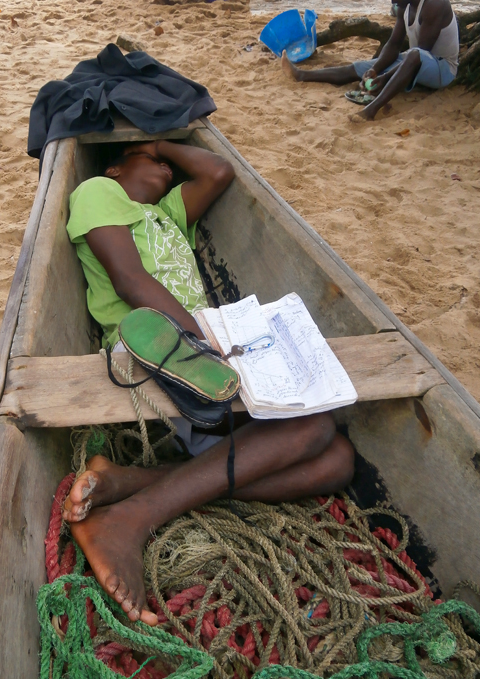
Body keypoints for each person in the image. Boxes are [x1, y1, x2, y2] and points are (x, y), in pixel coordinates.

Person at [63, 140, 355, 625]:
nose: (163, 167)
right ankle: (133, 515)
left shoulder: (168, 216)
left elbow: (217, 172)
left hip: (205, 348)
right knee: (314, 431)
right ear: (115, 167)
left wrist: (157, 144)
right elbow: (130, 281)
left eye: (166, 163)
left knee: (338, 460)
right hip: (154, 346)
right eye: (147, 158)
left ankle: (128, 489)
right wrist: (205, 344)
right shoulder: (98, 190)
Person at [281, 0, 460, 122]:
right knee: (361, 67)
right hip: (416, 61)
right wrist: (375, 70)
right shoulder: (403, 7)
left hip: (442, 69)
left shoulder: (435, 3)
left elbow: (422, 53)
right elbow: (393, 44)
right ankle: (302, 75)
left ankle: (371, 110)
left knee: (413, 54)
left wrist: (384, 78)